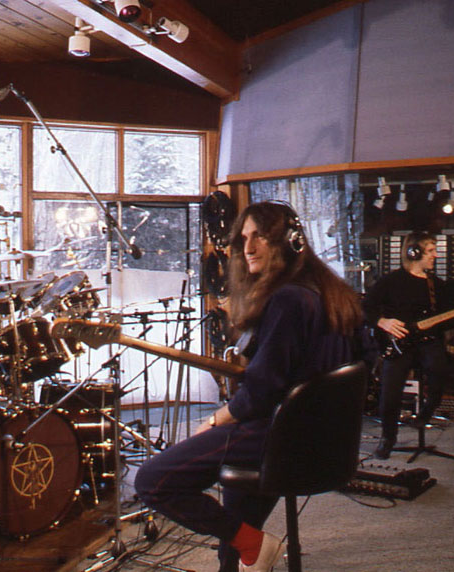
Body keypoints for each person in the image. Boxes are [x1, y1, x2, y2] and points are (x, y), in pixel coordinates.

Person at [135, 201, 362, 572]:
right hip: (324, 442)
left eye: (261, 237)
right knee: (238, 523)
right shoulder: (332, 293)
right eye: (243, 238)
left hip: (278, 435)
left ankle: (252, 543)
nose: (248, 248)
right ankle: (243, 549)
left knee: (152, 480)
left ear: (290, 241)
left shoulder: (288, 299)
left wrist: (216, 419)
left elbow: (259, 393)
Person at [363, 232, 454, 460]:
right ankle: (388, 438)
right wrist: (382, 321)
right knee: (390, 393)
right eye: (430, 251)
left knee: (440, 371)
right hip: (398, 344)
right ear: (413, 253)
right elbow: (365, 308)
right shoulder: (390, 281)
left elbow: (445, 320)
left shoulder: (435, 284)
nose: (436, 255)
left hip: (429, 342)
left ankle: (425, 414)